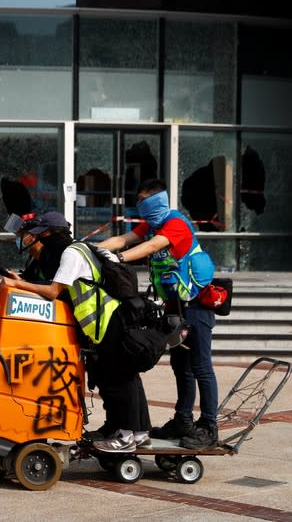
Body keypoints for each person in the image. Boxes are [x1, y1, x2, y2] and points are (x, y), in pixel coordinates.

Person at [0, 211, 151, 452]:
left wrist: (17, 284)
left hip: (108, 319)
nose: (41, 238)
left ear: (52, 233)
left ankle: (125, 437)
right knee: (125, 376)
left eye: (43, 234)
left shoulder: (71, 253)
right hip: (110, 318)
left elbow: (53, 291)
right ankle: (139, 433)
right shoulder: (80, 248)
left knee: (117, 379)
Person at [97, 178, 219, 449]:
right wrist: (92, 251)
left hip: (197, 307)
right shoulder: (152, 225)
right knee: (181, 368)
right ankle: (183, 420)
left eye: (142, 200)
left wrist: (120, 259)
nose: (139, 205)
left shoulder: (174, 224)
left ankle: (210, 426)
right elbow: (122, 238)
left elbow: (153, 247)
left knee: (200, 367)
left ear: (156, 200)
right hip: (174, 309)